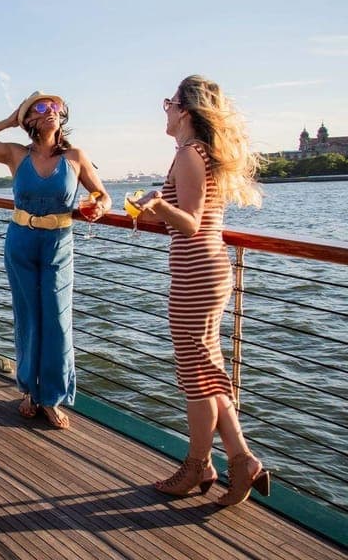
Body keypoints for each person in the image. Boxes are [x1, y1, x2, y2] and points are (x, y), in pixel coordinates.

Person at [133, 75, 269, 506]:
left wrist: (159, 204)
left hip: (197, 274)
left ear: (185, 111)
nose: (166, 110)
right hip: (203, 271)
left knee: (195, 377)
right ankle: (242, 460)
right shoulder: (192, 155)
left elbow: (190, 221)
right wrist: (150, 210)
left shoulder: (191, 155)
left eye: (169, 102)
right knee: (207, 370)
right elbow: (183, 217)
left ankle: (196, 465)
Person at [0, 91, 110, 429]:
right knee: (28, 318)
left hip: (59, 242)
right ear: (28, 120)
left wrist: (99, 205)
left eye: (55, 107)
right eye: (40, 108)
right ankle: (29, 391)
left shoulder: (75, 157)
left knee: (57, 321)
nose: (50, 111)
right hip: (21, 241)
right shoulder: (16, 154)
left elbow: (102, 194)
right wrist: (8, 120)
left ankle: (53, 398)